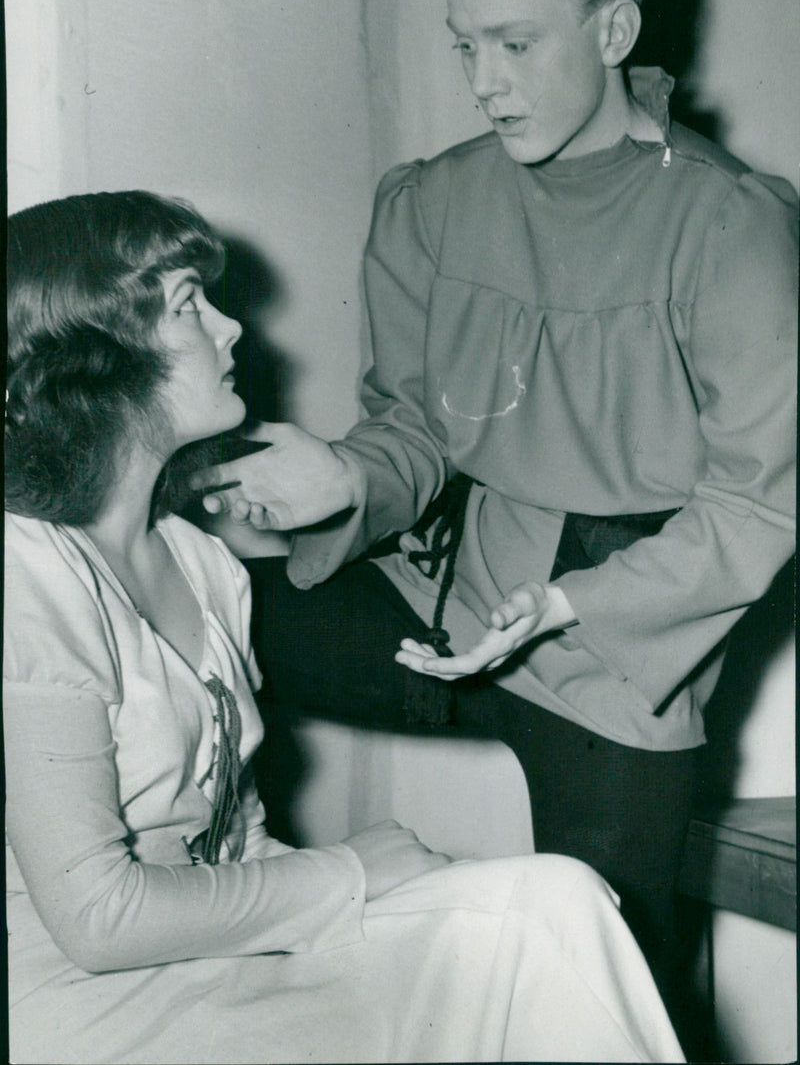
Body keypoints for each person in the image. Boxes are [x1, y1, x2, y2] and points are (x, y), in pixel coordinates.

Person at [189, 0, 798, 1028]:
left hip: (617, 647)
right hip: (445, 590)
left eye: (515, 44)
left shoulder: (730, 228)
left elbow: (761, 509)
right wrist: (342, 476)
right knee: (178, 614)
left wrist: (568, 605)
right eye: (466, 45)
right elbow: (413, 425)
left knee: (611, 983)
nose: (483, 81)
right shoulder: (427, 201)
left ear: (613, 27)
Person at [4, 190, 688, 1065]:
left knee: (552, 901)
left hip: (211, 964)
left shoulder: (202, 565)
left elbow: (238, 845)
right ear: (99, 358)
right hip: (73, 1004)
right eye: (187, 307)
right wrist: (356, 875)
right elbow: (97, 922)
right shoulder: (28, 571)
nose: (230, 329)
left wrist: (406, 893)